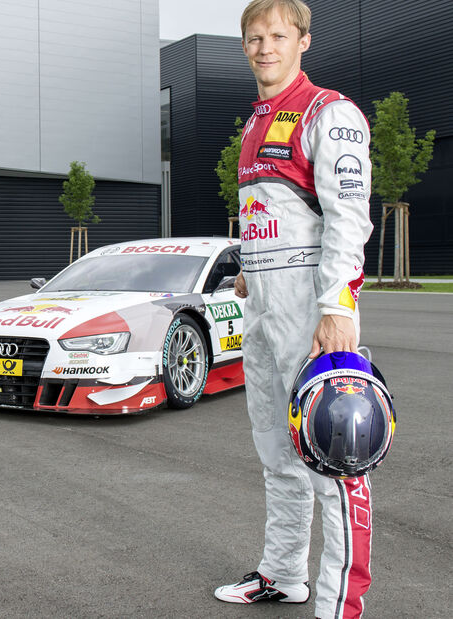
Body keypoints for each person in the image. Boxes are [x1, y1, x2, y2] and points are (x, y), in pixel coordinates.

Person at [212, 2, 375, 618]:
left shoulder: (329, 113)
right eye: (254, 38)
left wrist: (337, 306)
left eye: (277, 35)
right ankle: (284, 575)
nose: (264, 47)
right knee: (277, 455)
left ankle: (340, 606)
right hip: (262, 313)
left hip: (314, 312)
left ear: (303, 41)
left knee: (335, 462)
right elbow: (277, 219)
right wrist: (252, 278)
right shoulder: (255, 123)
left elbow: (346, 219)